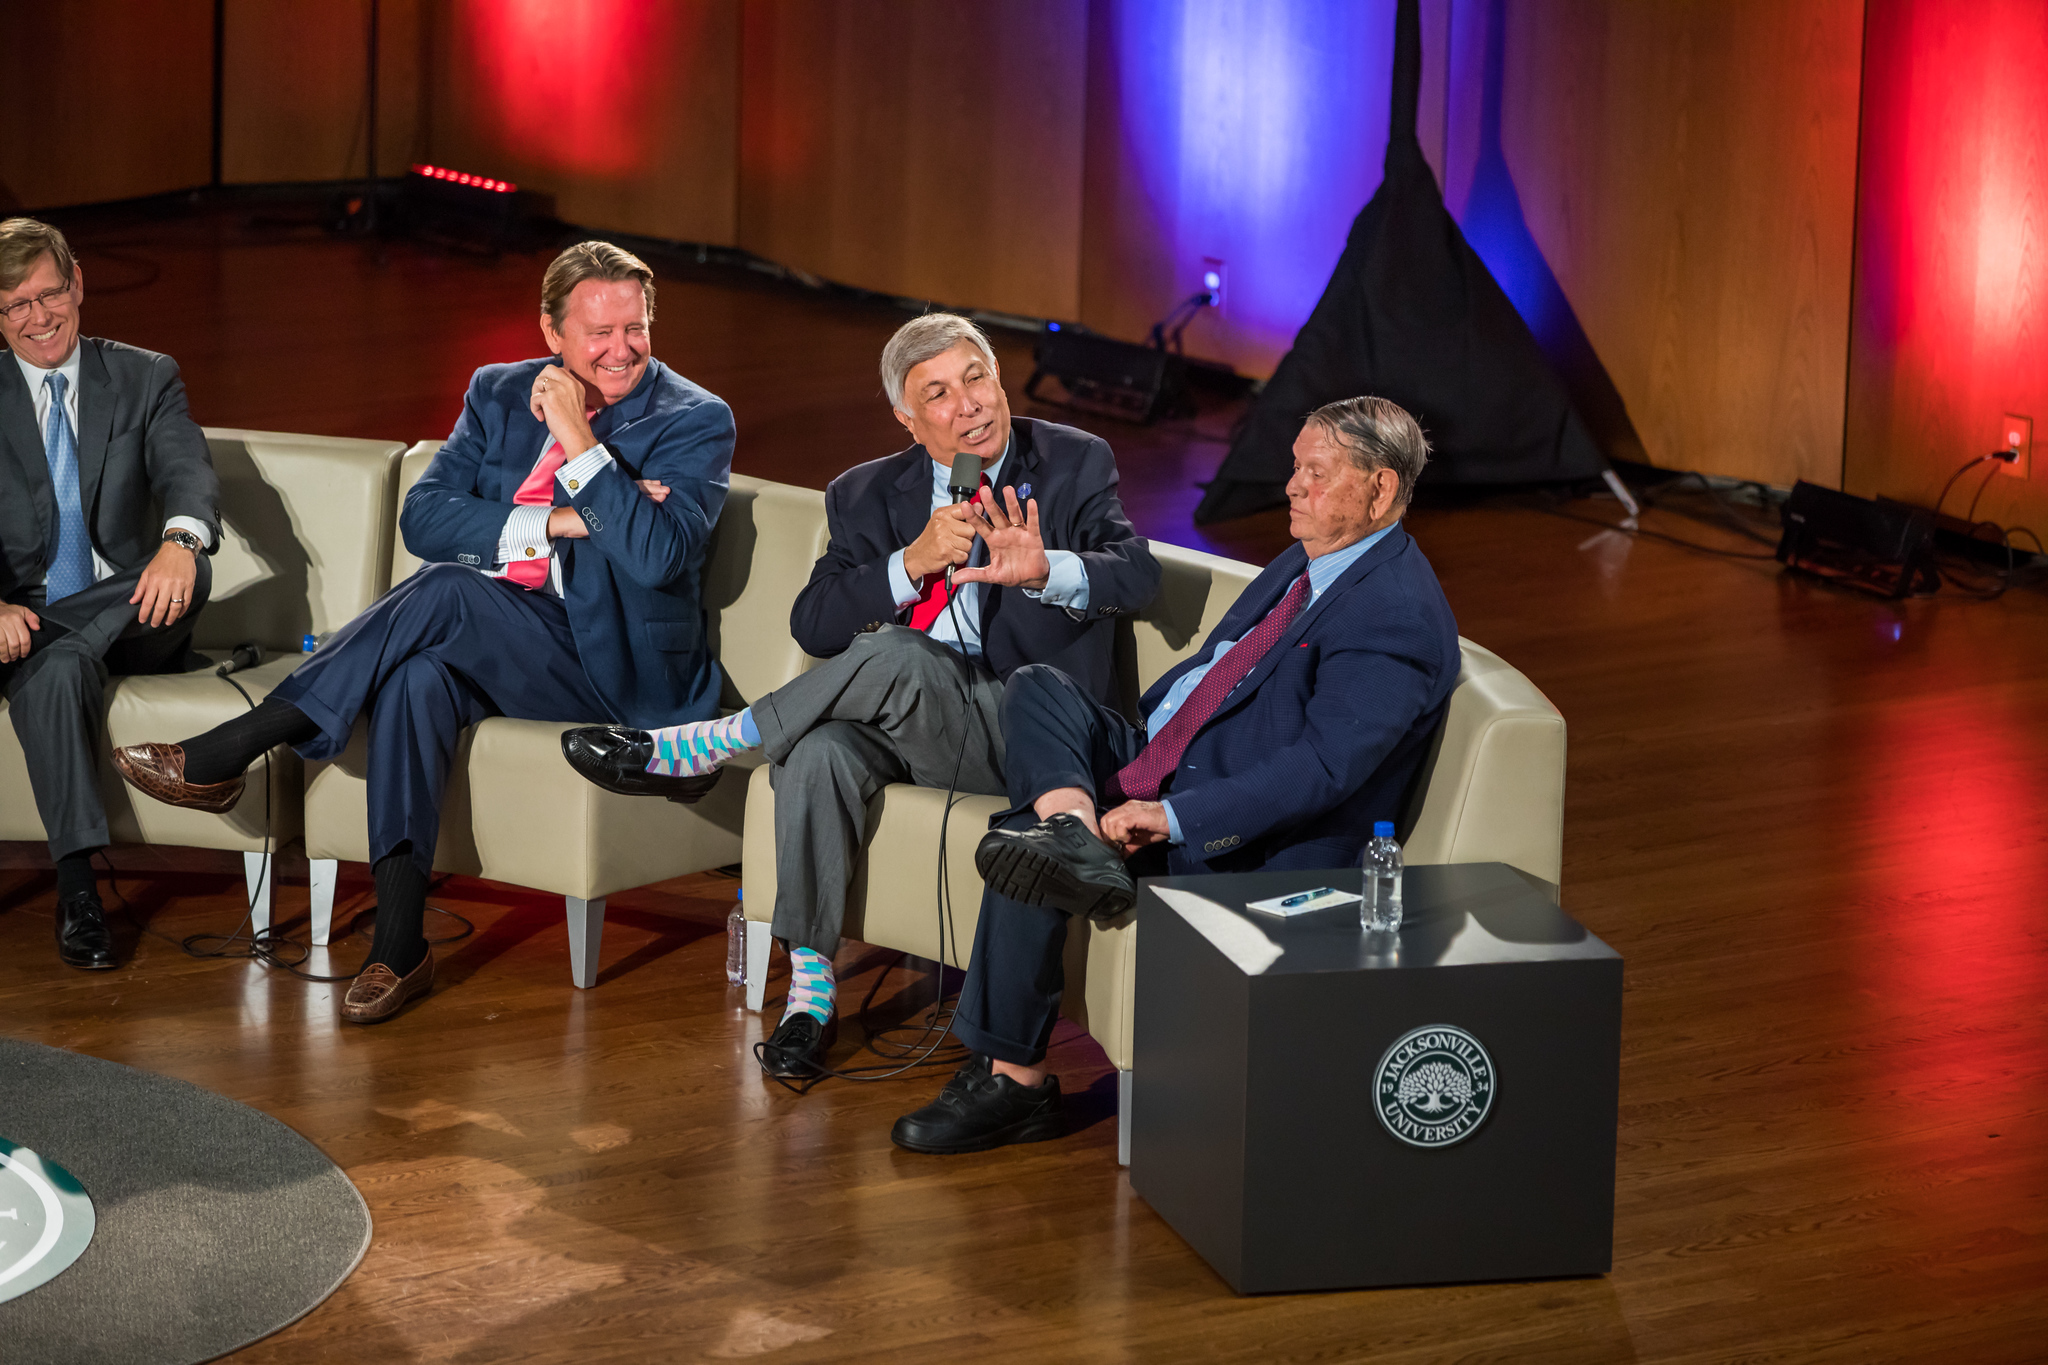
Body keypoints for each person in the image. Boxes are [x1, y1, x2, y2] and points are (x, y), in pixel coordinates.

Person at [114, 240, 735, 1023]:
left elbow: (655, 555)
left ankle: (232, 746)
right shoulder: (499, 392)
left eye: (635, 328)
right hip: (509, 638)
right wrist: (574, 517)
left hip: (616, 667)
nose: (621, 350)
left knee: (449, 591)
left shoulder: (694, 419)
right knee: (416, 677)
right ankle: (399, 945)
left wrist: (579, 440)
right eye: (598, 332)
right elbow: (427, 516)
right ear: (552, 333)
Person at [563, 313, 1160, 1077]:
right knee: (817, 750)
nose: (970, 403)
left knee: (895, 653)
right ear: (907, 421)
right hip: (921, 722)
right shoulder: (866, 493)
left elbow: (1135, 572)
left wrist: (1048, 569)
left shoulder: (1074, 461)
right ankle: (810, 993)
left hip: (1034, 736)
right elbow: (812, 621)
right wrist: (907, 563)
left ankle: (710, 742)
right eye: (940, 394)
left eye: (977, 377)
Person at [890, 396, 1461, 1154]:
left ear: (1381, 488)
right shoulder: (1310, 555)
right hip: (1157, 757)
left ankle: (1014, 1080)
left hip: (1227, 821)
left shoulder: (1395, 613)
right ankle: (1072, 826)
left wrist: (1170, 815)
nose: (1291, 486)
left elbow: (1323, 768)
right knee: (1038, 689)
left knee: (1025, 845)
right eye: (1294, 467)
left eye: (1315, 473)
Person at [0, 218, 222, 971]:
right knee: (54, 667)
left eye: (48, 293)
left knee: (190, 573)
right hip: (16, 621)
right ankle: (78, 892)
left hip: (136, 613)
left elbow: (187, 471)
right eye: (14, 305)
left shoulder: (143, 375)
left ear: (79, 284)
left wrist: (181, 539)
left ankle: (44, 638)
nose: (37, 317)